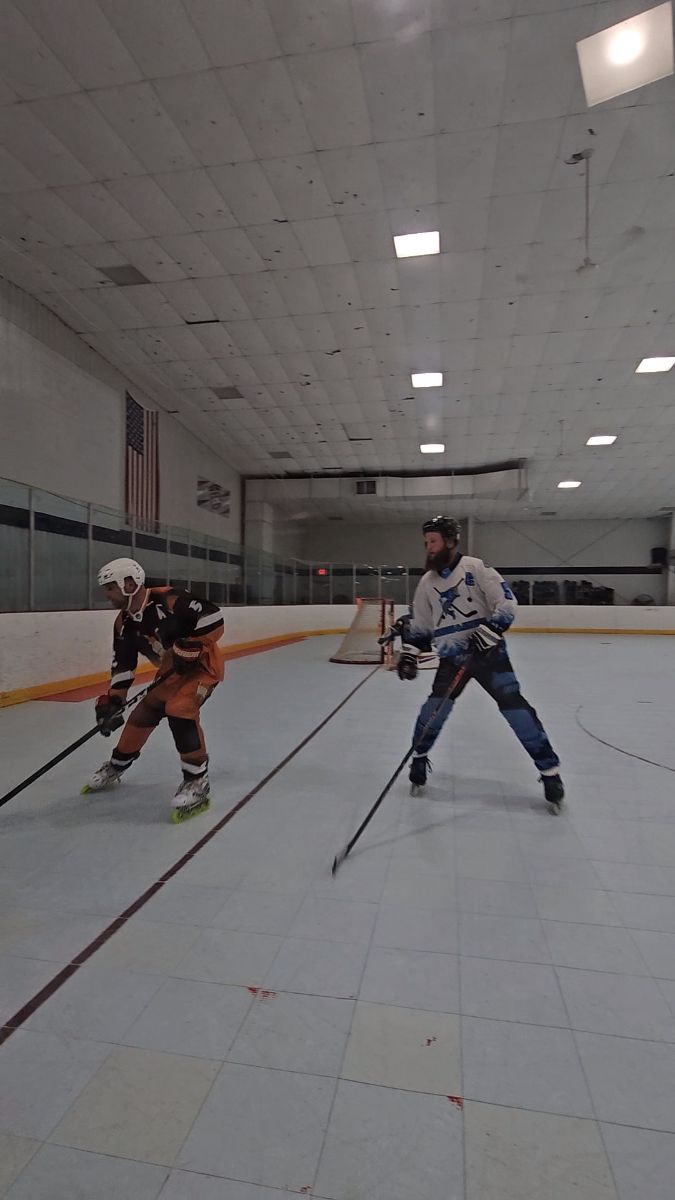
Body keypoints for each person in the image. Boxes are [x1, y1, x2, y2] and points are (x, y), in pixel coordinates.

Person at [398, 517, 564, 812]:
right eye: (426, 543)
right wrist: (410, 653)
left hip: (490, 657)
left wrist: (490, 630)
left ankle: (550, 772)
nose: (429, 547)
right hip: (451, 658)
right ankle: (419, 758)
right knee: (433, 711)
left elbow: (506, 603)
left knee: (516, 710)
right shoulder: (427, 582)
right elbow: (421, 625)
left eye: (433, 541)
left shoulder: (475, 568)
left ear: (450, 541)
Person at [83, 558, 224, 822]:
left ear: (129, 584)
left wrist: (192, 644)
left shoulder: (168, 598)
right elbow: (123, 665)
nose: (107, 594)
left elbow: (214, 617)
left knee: (179, 708)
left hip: (202, 669)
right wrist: (114, 701)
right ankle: (117, 765)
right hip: (169, 674)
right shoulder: (123, 623)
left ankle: (197, 781)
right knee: (142, 715)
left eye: (111, 587)